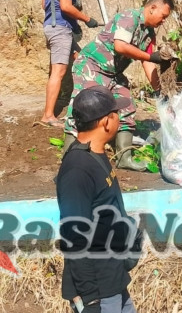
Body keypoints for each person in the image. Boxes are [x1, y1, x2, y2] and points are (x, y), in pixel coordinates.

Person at [63, 0, 174, 170]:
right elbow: (120, 46)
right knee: (84, 108)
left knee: (126, 105)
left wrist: (158, 91)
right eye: (163, 16)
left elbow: (148, 62)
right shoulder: (129, 17)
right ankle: (69, 160)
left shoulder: (149, 33)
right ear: (152, 8)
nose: (163, 21)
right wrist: (150, 56)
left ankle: (124, 158)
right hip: (91, 65)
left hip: (113, 73)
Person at [57, 86, 139, 313]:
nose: (120, 119)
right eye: (116, 114)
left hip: (113, 279)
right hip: (98, 290)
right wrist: (90, 300)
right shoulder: (78, 169)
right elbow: (73, 236)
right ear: (106, 122)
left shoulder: (95, 154)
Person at [39, 0, 101, 128]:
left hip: (52, 27)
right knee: (59, 72)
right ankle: (48, 116)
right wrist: (87, 19)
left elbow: (45, 5)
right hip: (60, 29)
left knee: (81, 61)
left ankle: (84, 104)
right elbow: (65, 7)